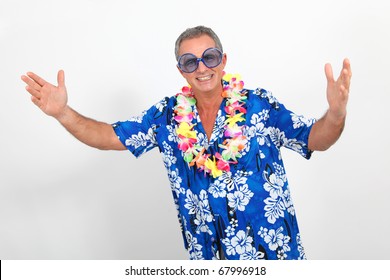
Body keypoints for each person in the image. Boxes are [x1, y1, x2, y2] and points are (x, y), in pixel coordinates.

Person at [21, 25, 352, 260]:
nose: (201, 67)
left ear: (223, 60)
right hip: (206, 258)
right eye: (190, 62)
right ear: (181, 70)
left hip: (272, 257)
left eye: (209, 57)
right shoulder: (166, 116)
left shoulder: (259, 107)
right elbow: (108, 136)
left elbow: (314, 138)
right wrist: (63, 112)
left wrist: (335, 114)